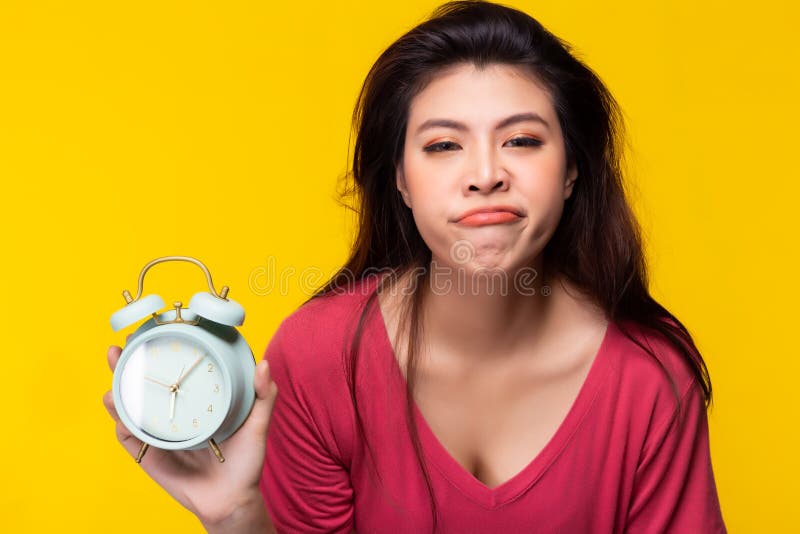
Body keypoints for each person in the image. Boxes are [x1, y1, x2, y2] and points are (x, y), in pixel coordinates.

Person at [103, 1, 727, 532]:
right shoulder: (320, 358)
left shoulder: (650, 378)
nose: (486, 175)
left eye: (523, 140)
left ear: (572, 172)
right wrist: (241, 517)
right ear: (400, 179)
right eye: (443, 145)